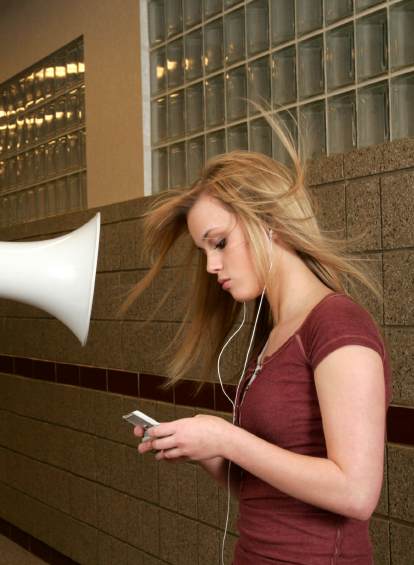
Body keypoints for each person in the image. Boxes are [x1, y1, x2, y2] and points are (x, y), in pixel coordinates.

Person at [124, 125, 391, 564]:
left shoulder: (338, 324)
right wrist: (205, 449)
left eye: (220, 243)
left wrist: (227, 438)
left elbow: (356, 492)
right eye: (204, 251)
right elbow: (264, 488)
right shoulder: (272, 334)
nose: (211, 266)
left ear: (269, 223)